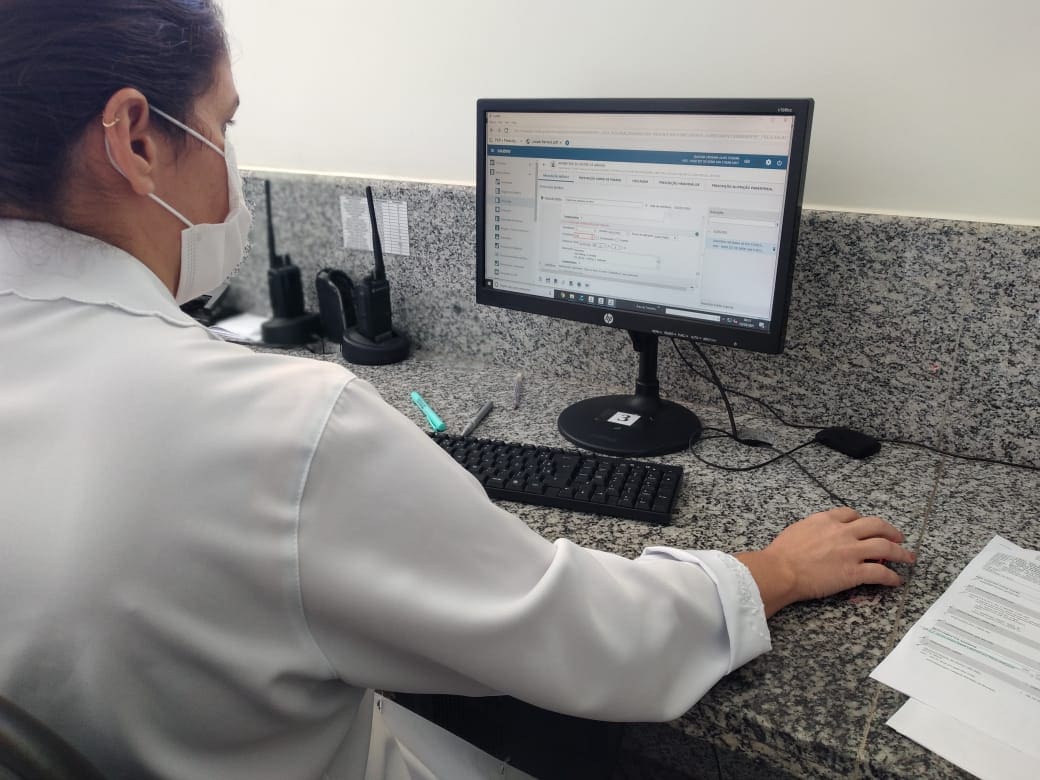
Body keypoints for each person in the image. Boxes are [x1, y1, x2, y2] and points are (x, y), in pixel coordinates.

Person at [0, 1, 915, 777]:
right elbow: (584, 636)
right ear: (136, 138)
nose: (230, 161)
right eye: (223, 124)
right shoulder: (279, 428)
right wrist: (774, 571)